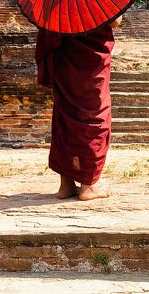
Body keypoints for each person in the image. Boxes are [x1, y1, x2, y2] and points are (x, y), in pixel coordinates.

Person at [35, 16, 122, 201]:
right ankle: (88, 186)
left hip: (64, 57)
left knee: (65, 116)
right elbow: (115, 21)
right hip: (91, 62)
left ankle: (66, 186)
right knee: (94, 116)